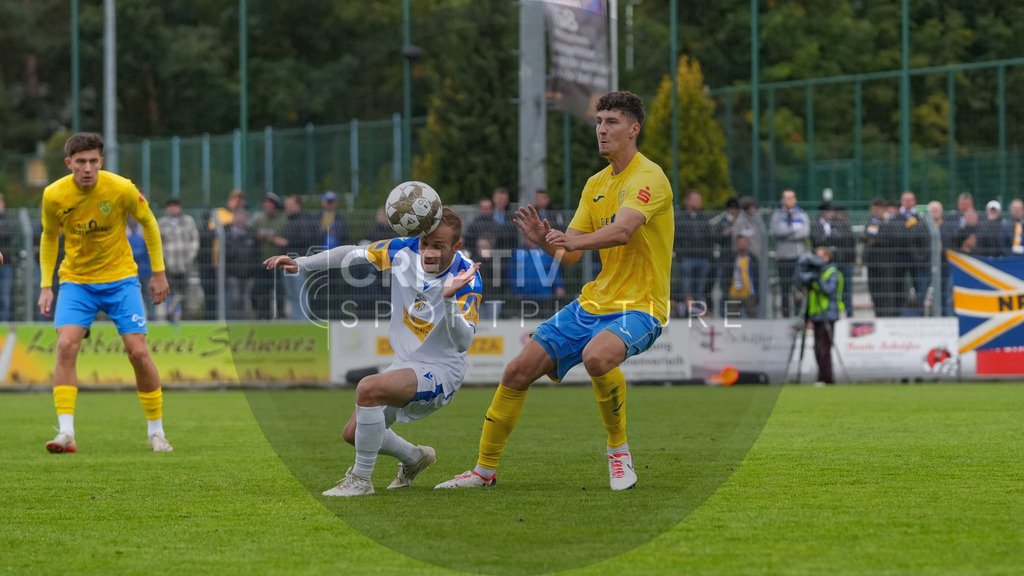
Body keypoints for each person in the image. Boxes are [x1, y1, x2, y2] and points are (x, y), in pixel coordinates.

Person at [435, 90, 673, 491]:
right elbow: (569, 257)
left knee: (597, 357)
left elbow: (623, 230)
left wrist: (574, 242)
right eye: (598, 122)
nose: (601, 130)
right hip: (594, 302)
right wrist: (544, 240)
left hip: (642, 304)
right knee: (516, 371)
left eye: (611, 122)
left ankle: (619, 454)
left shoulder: (649, 177)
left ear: (634, 129)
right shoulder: (595, 184)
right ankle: (483, 472)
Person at [264, 207, 482, 497]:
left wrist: (449, 300)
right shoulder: (404, 249)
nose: (428, 252)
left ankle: (360, 480)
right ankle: (415, 457)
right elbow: (350, 253)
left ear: (456, 245)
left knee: (367, 388)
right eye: (425, 244)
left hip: (441, 372)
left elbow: (462, 343)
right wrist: (301, 263)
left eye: (438, 246)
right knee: (353, 434)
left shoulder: (467, 277)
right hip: (406, 364)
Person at [39, 132, 172, 454]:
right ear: (68, 163)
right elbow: (48, 237)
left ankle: (157, 432)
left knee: (137, 352)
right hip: (76, 281)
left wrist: (158, 274)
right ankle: (66, 432)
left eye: (93, 161)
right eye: (80, 162)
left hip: (121, 280)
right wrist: (46, 285)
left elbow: (150, 224)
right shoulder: (53, 195)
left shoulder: (121, 188)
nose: (87, 168)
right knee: (66, 345)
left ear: (101, 161)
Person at [770, 189, 810, 317]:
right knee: (785, 288)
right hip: (783, 257)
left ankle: (799, 316)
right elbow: (777, 231)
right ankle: (786, 316)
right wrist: (794, 232)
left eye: (791, 197)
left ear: (795, 199)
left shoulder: (802, 215)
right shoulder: (777, 216)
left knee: (798, 288)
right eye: (786, 197)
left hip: (798, 256)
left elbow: (805, 232)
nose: (788, 200)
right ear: (782, 200)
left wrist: (786, 233)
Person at [158, 198, 199, 321]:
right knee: (169, 292)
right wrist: (164, 258)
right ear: (166, 208)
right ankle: (171, 316)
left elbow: (195, 239)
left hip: (185, 265)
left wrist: (190, 256)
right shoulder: (161, 223)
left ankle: (185, 317)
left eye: (175, 206)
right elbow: (158, 243)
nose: (173, 208)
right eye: (170, 206)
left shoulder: (189, 221)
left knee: (185, 293)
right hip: (169, 265)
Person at [807, 246, 844, 385]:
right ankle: (822, 376)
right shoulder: (815, 273)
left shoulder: (832, 273)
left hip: (828, 313)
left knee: (824, 348)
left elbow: (829, 290)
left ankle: (826, 377)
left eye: (823, 256)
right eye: (817, 256)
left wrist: (817, 280)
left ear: (828, 258)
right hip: (816, 314)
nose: (820, 259)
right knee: (817, 348)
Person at [508, 236, 565, 319]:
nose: (528, 240)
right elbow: (512, 273)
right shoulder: (518, 252)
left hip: (545, 294)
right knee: (527, 321)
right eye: (526, 237)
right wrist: (515, 290)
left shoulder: (546, 251)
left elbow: (554, 270)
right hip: (526, 294)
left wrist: (558, 286)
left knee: (545, 320)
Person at [675, 189, 713, 309]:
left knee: (700, 289)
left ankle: (699, 311)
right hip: (687, 259)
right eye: (696, 199)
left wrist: (708, 256)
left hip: (703, 259)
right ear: (687, 201)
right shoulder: (680, 218)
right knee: (686, 288)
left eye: (699, 199)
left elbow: (709, 237)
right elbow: (676, 239)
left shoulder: (703, 217)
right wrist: (681, 256)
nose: (699, 202)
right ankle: (686, 311)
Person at [252, 192, 288, 319]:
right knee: (264, 292)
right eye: (265, 203)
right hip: (264, 263)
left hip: (279, 263)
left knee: (279, 292)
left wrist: (273, 238)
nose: (267, 206)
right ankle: (265, 317)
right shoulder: (260, 220)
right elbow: (253, 234)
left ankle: (281, 316)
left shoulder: (283, 219)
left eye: (270, 203)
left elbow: (286, 238)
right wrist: (259, 237)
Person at [727, 234, 758, 318]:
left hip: (749, 294)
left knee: (753, 318)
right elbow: (725, 276)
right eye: (740, 243)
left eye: (744, 242)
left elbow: (757, 277)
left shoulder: (753, 259)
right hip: (733, 293)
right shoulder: (731, 259)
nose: (742, 244)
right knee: (732, 319)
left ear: (748, 244)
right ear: (736, 245)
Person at [0, 194, 17, 321]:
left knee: (5, 296)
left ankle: (4, 323)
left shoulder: (8, 218)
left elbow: (9, 233)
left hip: (6, 264)